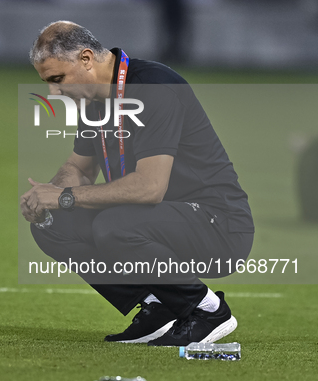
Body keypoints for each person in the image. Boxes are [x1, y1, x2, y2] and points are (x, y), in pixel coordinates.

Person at [20, 21, 254, 346]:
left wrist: (65, 197)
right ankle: (159, 306)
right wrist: (48, 197)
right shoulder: (95, 102)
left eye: (57, 80)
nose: (53, 93)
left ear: (86, 58)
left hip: (218, 224)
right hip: (157, 220)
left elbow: (149, 187)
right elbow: (78, 168)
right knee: (52, 224)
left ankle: (207, 310)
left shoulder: (153, 88)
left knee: (113, 224)